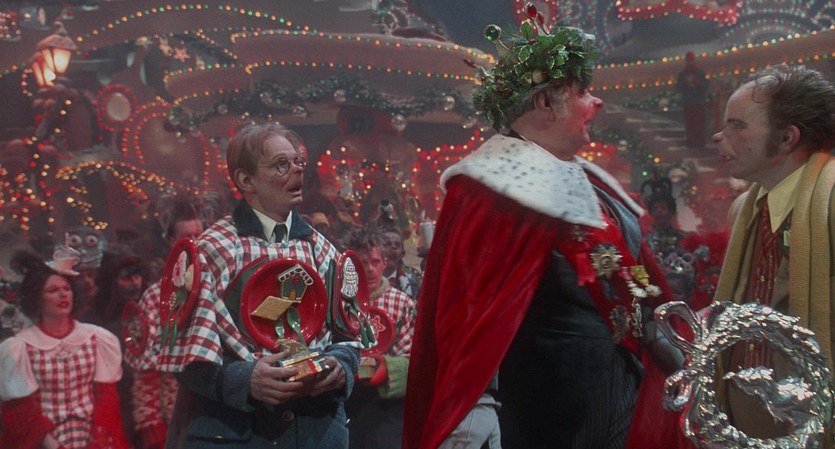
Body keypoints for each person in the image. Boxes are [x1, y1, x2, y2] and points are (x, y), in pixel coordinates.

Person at [403, 17, 682, 449]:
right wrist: (476, 403)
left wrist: (669, 345)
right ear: (546, 104)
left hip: (626, 386)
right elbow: (467, 308)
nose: (597, 101)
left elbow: (635, 279)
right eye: (582, 92)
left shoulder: (595, 184)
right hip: (547, 411)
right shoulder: (487, 186)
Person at [157, 122, 360, 448]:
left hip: (315, 434)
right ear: (245, 180)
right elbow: (184, 354)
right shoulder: (212, 250)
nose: (297, 171)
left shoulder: (322, 248)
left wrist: (341, 366)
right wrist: (243, 380)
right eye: (281, 164)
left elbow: (350, 335)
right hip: (240, 436)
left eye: (298, 162)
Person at [712, 64, 835, 440]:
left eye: (737, 125)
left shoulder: (830, 203)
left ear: (786, 138)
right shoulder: (743, 210)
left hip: (814, 417)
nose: (719, 136)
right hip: (741, 415)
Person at [0, 250, 130, 449]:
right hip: (45, 441)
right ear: (37, 298)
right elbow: (21, 410)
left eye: (67, 289)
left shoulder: (96, 338)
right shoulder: (20, 347)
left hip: (94, 438)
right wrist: (53, 445)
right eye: (53, 290)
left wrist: (98, 439)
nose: (63, 295)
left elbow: (107, 398)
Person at [122, 193, 214, 449]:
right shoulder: (156, 297)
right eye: (187, 236)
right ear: (172, 241)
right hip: (179, 415)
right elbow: (144, 373)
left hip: (223, 410)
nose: (195, 242)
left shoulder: (223, 285)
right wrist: (152, 426)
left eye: (198, 235)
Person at [341, 227, 416, 449]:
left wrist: (388, 367)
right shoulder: (338, 302)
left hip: (387, 406)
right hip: (345, 399)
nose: (370, 269)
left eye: (375, 262)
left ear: (385, 262)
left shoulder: (401, 302)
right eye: (362, 263)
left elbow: (412, 357)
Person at [676, 51, 709, 148]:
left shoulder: (700, 73)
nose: (690, 63)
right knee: (689, 124)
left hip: (698, 103)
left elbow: (706, 85)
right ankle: (691, 142)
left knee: (699, 124)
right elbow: (677, 87)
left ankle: (700, 142)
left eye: (691, 61)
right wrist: (683, 84)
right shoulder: (682, 74)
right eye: (688, 61)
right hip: (688, 103)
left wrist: (699, 84)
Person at [380, 227, 422, 300]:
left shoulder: (414, 279)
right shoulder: (366, 278)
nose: (393, 247)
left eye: (397, 244)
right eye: (387, 244)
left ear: (402, 253)